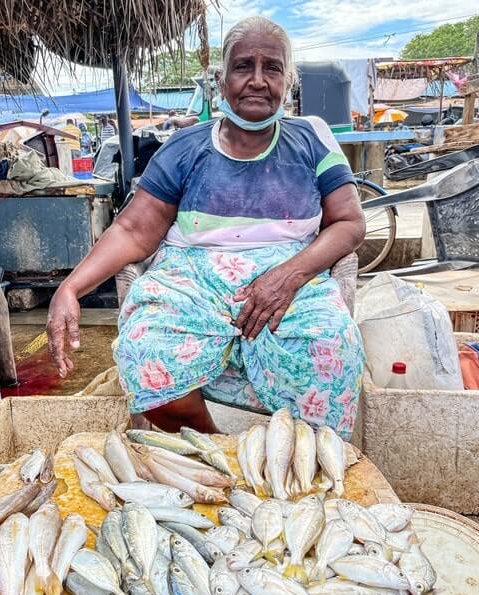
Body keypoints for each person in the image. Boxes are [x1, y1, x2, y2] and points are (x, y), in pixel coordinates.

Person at [47, 16, 365, 440]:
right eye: (242, 66)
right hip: (190, 288)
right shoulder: (185, 147)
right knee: (145, 352)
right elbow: (132, 231)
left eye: (271, 68)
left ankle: (296, 460)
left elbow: (349, 223)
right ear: (220, 79)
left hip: (292, 282)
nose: (256, 80)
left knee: (333, 346)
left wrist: (288, 277)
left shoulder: (311, 138)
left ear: (288, 80)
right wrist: (69, 289)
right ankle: (215, 447)